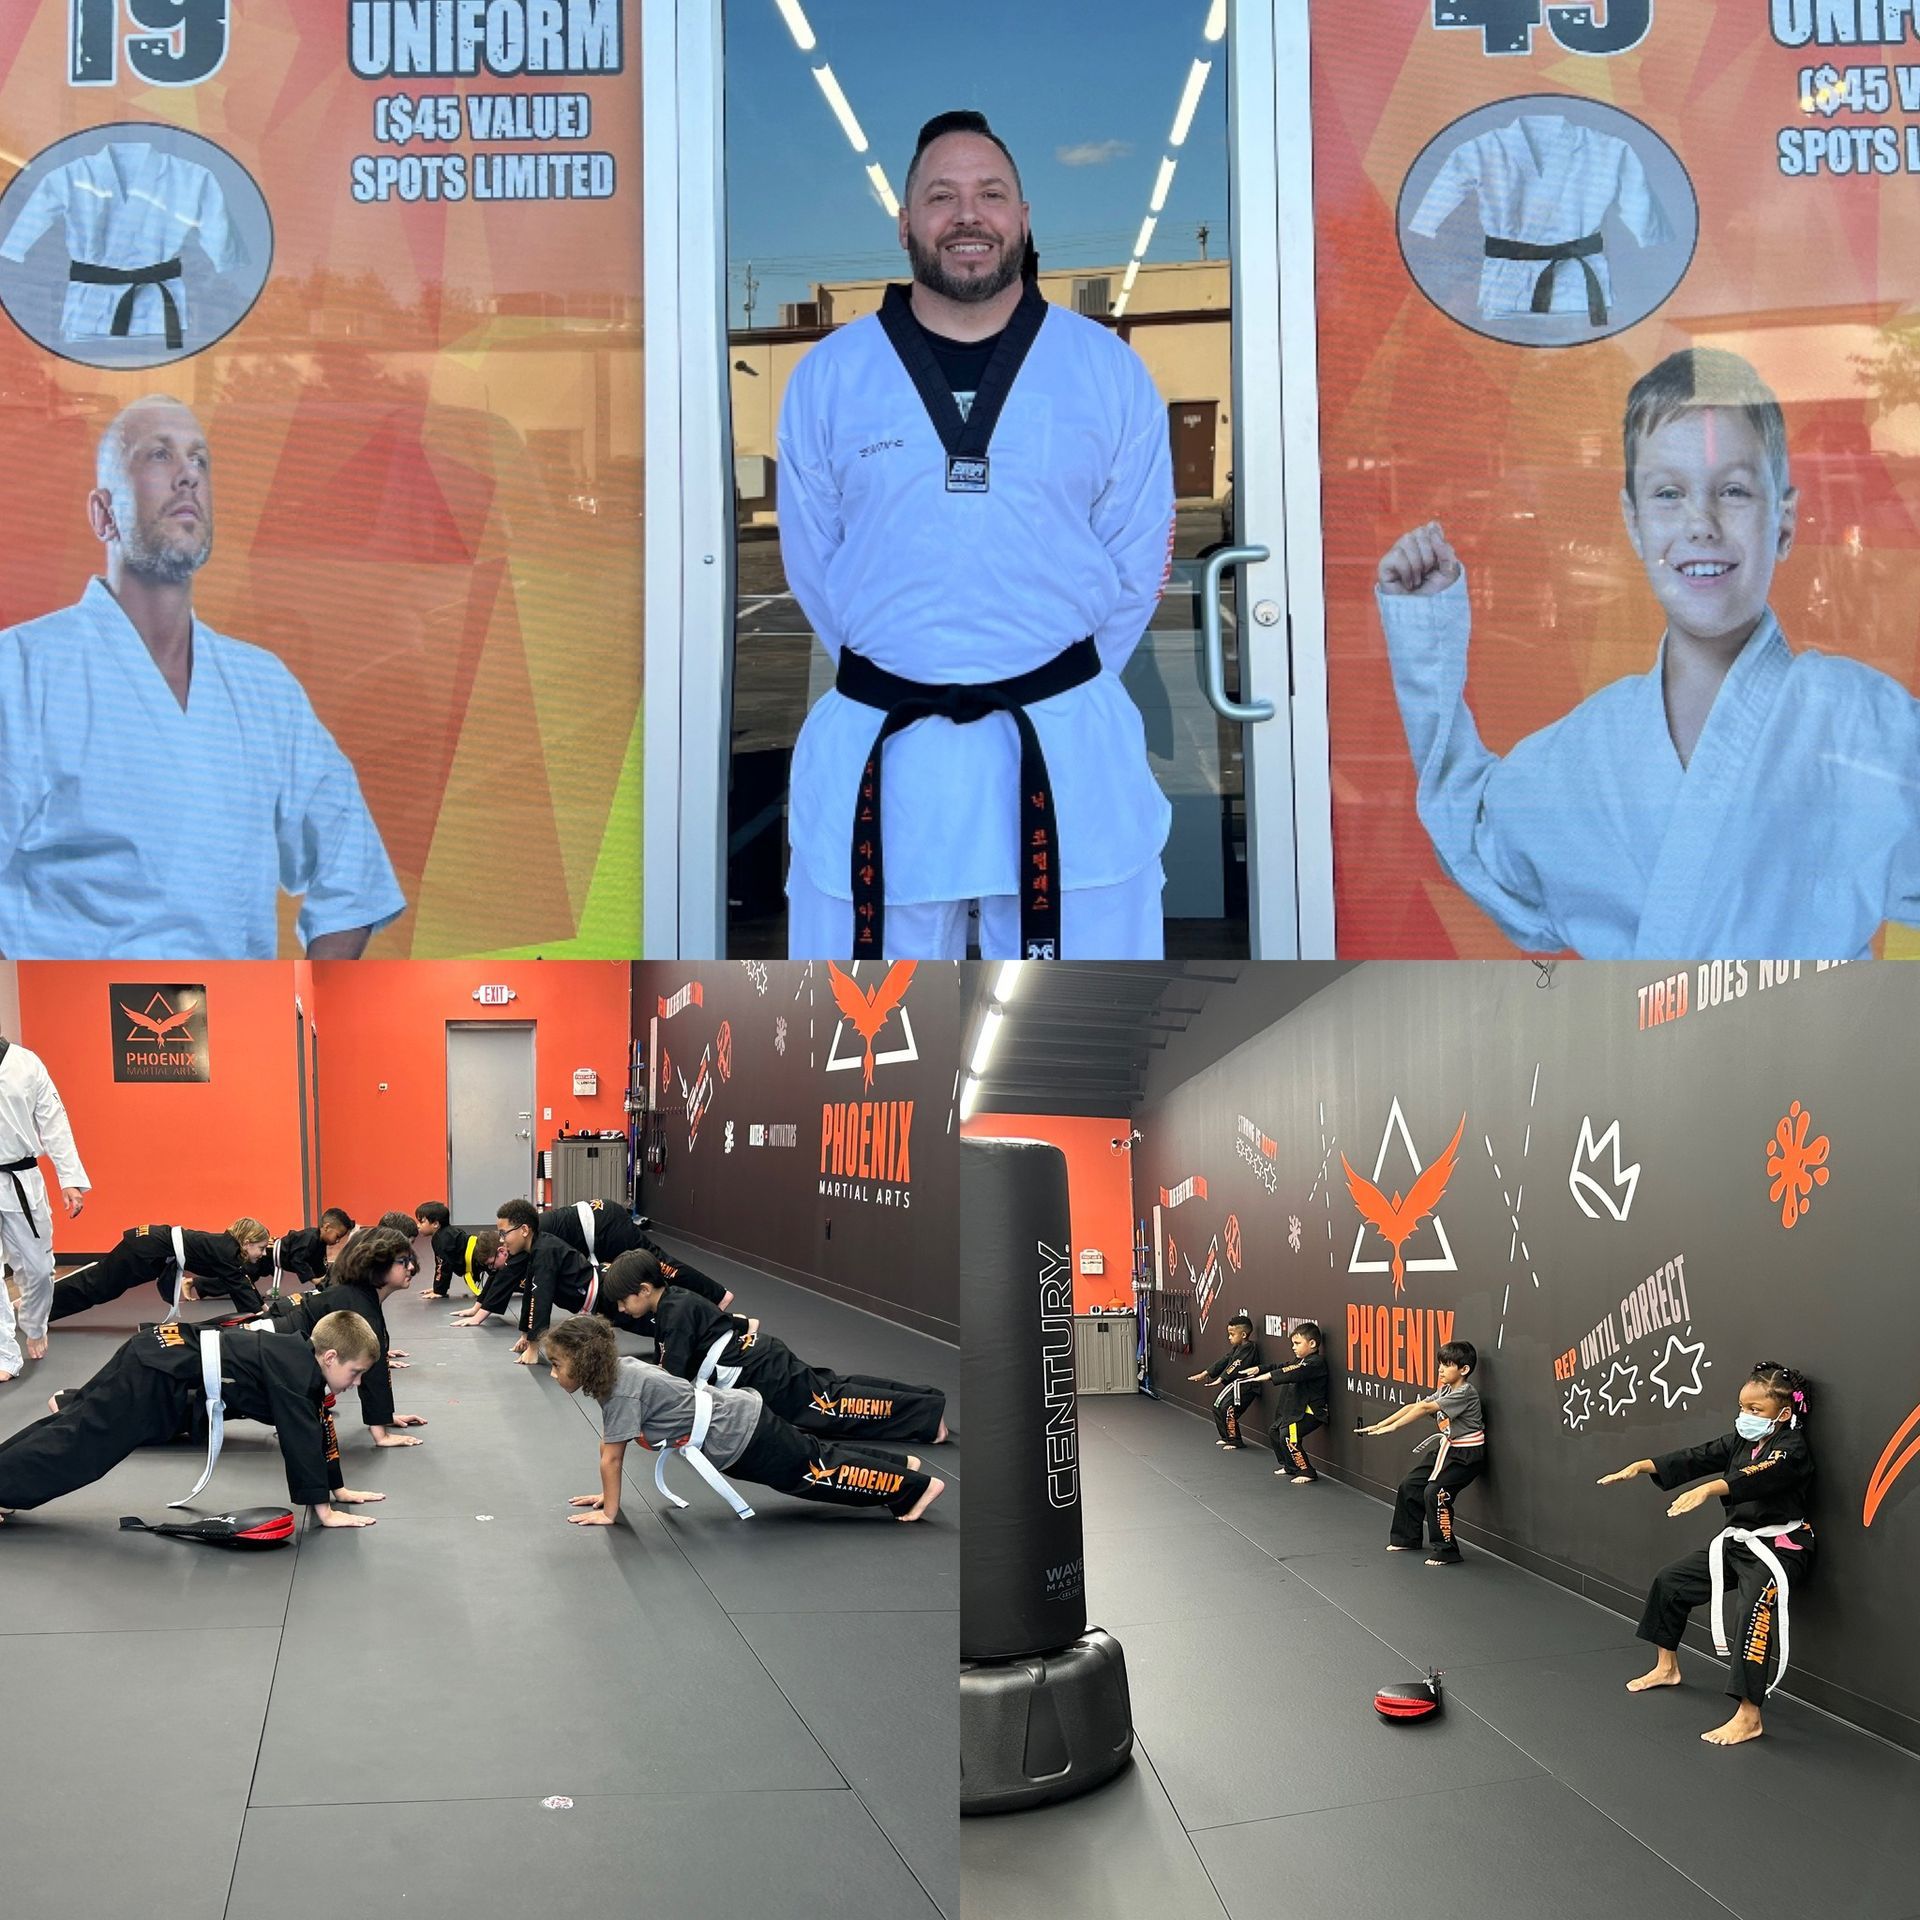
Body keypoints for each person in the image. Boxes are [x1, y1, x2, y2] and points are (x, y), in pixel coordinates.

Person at [778, 109, 1176, 962]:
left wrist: (1041, 675)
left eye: (991, 194)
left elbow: (1135, 567)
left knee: (1069, 1036)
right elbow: (819, 571)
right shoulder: (830, 379)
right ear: (905, 223)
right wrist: (915, 654)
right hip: (889, 755)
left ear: (1023, 218)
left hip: (1062, 753)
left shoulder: (1104, 370)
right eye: (941, 196)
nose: (968, 215)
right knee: (871, 1041)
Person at [1377, 348, 1920, 957]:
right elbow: (1479, 844)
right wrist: (1426, 636)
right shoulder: (1586, 749)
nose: (1701, 523)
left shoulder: (1858, 720)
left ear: (1785, 521)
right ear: (1633, 523)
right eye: (1668, 493)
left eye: (1735, 491)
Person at [0, 395, 406, 959]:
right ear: (103, 513)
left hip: (239, 1031)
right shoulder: (21, 672)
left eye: (201, 461)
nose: (188, 475)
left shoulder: (264, 690)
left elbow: (352, 874)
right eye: (159, 456)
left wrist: (301, 1023)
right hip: (65, 1032)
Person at [0, 1310, 385, 1530]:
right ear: (330, 1357)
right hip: (156, 1369)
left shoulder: (298, 1359)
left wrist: (338, 1488)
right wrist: (325, 1512)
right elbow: (300, 1441)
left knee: (73, 1424)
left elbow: (318, 1427)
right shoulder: (296, 1373)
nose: (357, 1382)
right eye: (355, 1372)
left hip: (157, 1348)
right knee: (85, 1446)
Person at [542, 1315, 946, 1523]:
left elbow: (611, 1456)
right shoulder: (623, 1367)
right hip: (741, 1414)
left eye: (558, 1364)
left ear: (585, 1362)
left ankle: (913, 1489)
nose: (554, 1373)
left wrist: (609, 1510)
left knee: (816, 1474)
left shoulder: (621, 1391)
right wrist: (607, 1494)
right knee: (816, 1454)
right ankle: (901, 1464)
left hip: (741, 1437)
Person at [1598, 1361, 1816, 1746]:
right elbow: (1697, 1456)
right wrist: (1641, 1465)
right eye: (1742, 1408)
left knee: (1752, 1616)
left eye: (1755, 1411)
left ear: (1783, 1413)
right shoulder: (1741, 1440)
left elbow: (1759, 1474)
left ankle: (1749, 1716)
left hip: (1779, 1549)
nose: (1745, 1417)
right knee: (1671, 1582)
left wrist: (1709, 1490)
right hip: (1738, 1542)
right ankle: (1667, 1667)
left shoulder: (1792, 1449)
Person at [606, 1251, 948, 1444]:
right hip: (761, 1358)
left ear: (646, 1289)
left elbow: (674, 1382)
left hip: (764, 1371)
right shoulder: (675, 1302)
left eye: (623, 1301)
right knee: (832, 1387)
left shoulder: (674, 1314)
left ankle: (926, 1418)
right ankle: (927, 1402)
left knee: (833, 1408)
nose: (621, 1310)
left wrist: (649, 1424)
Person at [251, 1225, 427, 1449]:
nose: (411, 1267)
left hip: (277, 1336)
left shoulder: (362, 1297)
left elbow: (377, 1361)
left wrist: (385, 1415)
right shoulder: (360, 1305)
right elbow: (372, 1372)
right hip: (267, 1337)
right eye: (402, 1261)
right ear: (377, 1264)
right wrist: (380, 1434)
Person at [0, 1026, 89, 1380]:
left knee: (38, 1269)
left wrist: (69, 1179)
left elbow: (54, 1121)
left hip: (22, 1179)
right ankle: (5, 1353)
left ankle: (34, 1324)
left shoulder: (26, 1064)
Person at [1359, 1340, 1485, 1565]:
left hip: (1467, 1455)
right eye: (1440, 1364)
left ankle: (1447, 1551)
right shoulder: (1445, 1389)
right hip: (1448, 1449)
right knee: (1410, 1485)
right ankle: (1406, 1538)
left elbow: (1426, 1409)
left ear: (1464, 1369)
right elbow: (1414, 1406)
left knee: (1436, 1493)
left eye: (1447, 1365)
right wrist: (1381, 1424)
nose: (1440, 1369)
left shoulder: (1465, 1392)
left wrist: (1394, 1427)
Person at [449, 1198, 594, 1360]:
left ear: (524, 1230)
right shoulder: (534, 1250)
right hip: (590, 1302)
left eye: (504, 1234)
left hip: (604, 1296)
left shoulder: (545, 1251)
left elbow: (541, 1300)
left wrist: (533, 1347)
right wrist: (525, 1334)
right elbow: (529, 1294)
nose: (502, 1240)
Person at [49, 1218, 272, 1322]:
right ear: (247, 1242)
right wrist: (265, 1317)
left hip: (150, 1249)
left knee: (100, 1284)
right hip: (146, 1249)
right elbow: (240, 1289)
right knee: (97, 1286)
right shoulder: (226, 1252)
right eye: (261, 1248)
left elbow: (242, 1281)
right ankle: (40, 1304)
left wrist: (262, 1307)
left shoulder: (226, 1247)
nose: (263, 1254)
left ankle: (41, 1305)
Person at [1249, 1320, 1330, 1482]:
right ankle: (1289, 1466)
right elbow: (1281, 1366)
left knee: (1288, 1436)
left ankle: (1306, 1471)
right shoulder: (1297, 1360)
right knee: (1274, 1431)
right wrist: (1259, 1369)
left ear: (1312, 1343)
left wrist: (1267, 1377)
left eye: (1297, 1343)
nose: (1293, 1347)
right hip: (1296, 1412)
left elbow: (1291, 1372)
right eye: (1293, 1343)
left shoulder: (1315, 1363)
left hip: (1310, 1412)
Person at [1188, 1310, 1262, 1449]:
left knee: (1228, 1409)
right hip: (1235, 1385)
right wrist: (1206, 1373)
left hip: (1247, 1386)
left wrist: (1221, 1379)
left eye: (1232, 1334)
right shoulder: (1237, 1348)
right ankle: (1226, 1437)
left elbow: (1235, 1365)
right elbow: (1224, 1360)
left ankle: (1235, 1440)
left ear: (1244, 1335)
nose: (1229, 1337)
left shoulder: (1249, 1348)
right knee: (1217, 1406)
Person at [248, 1207, 354, 1294]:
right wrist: (314, 1280)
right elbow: (298, 1260)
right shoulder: (310, 1238)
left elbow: (318, 1265)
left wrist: (324, 1281)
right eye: (337, 1236)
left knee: (260, 1271)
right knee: (252, 1272)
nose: (338, 1240)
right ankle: (243, 1288)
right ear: (327, 1227)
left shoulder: (320, 1243)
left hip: (283, 1257)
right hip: (272, 1253)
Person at [414, 1204, 496, 1300]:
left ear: (435, 1224)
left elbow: (443, 1266)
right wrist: (437, 1287)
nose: (418, 1226)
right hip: (481, 1251)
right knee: (505, 1278)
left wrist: (439, 1291)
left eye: (421, 1222)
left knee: (507, 1279)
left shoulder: (441, 1240)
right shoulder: (449, 1232)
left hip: (481, 1255)